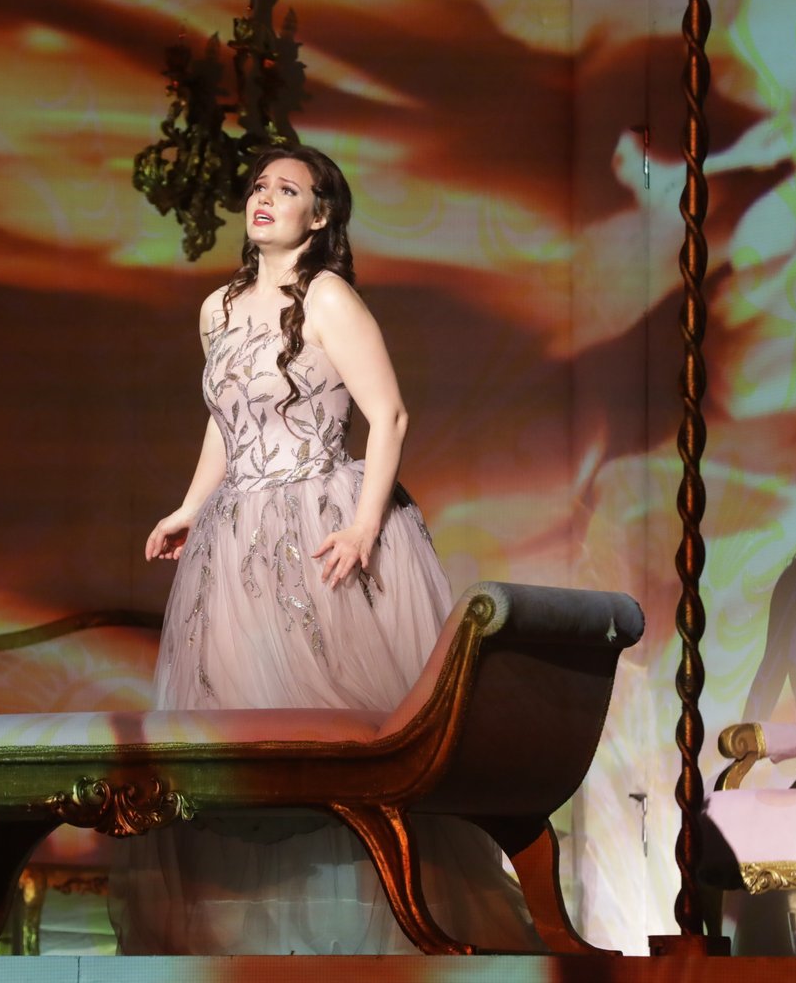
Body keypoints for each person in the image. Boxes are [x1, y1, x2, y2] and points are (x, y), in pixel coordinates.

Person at [109, 145, 541, 954]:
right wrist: (192, 505)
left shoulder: (328, 295)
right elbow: (227, 420)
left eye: (287, 189)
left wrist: (366, 524)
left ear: (321, 214)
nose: (264, 197)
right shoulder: (218, 308)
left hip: (323, 524)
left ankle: (404, 936)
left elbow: (390, 415)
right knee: (247, 744)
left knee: (344, 740)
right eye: (258, 186)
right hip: (238, 538)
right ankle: (261, 950)